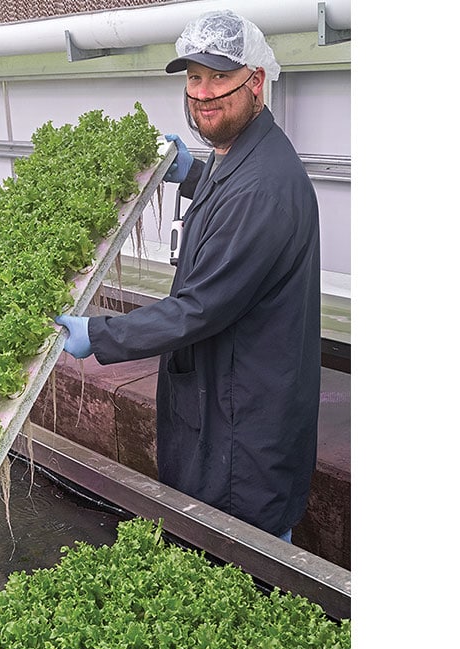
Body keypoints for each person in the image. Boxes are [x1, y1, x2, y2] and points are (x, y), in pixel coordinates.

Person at [55, 9, 320, 543]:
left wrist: (99, 334)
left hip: (241, 423)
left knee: (240, 559)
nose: (203, 92)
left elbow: (201, 308)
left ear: (256, 82)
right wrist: (194, 174)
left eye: (220, 77)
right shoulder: (244, 155)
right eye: (194, 77)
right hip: (226, 397)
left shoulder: (262, 189)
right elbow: (231, 208)